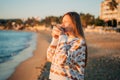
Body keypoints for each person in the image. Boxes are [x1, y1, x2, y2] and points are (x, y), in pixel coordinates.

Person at [47, 12, 87, 80]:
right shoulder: (64, 40)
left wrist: (62, 36)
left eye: (65, 22)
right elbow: (49, 57)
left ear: (74, 24)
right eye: (62, 22)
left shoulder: (80, 42)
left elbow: (61, 60)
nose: (62, 25)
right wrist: (55, 38)